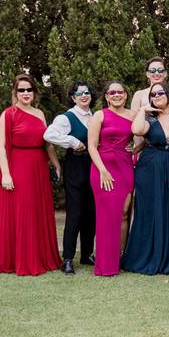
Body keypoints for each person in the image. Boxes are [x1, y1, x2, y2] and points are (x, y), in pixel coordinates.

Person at [0, 74, 62, 275]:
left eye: (29, 89)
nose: (25, 93)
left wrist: (56, 164)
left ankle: (41, 256)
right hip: (18, 167)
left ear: (34, 92)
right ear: (15, 93)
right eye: (21, 90)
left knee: (38, 212)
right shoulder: (8, 114)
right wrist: (6, 174)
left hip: (38, 168)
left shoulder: (39, 114)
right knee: (23, 212)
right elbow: (0, 147)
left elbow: (47, 143)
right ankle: (22, 260)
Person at [121, 83, 169, 275]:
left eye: (160, 93)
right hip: (149, 169)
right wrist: (143, 109)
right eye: (153, 94)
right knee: (149, 210)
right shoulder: (149, 119)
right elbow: (136, 130)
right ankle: (145, 256)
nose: (156, 96)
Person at [43, 81, 97, 275]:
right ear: (73, 98)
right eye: (79, 93)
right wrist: (72, 141)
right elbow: (49, 135)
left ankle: (86, 254)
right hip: (75, 165)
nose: (84, 96)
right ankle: (67, 259)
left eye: (87, 92)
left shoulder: (95, 116)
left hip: (94, 165)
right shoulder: (67, 117)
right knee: (75, 213)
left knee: (91, 212)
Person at [88, 81, 137, 276]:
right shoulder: (99, 115)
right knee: (106, 214)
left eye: (120, 92)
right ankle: (104, 261)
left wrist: (135, 149)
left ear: (126, 95)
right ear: (107, 96)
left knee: (124, 213)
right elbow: (92, 146)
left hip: (125, 166)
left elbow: (144, 137)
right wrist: (102, 170)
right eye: (112, 92)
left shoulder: (133, 115)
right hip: (102, 169)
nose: (117, 95)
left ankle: (119, 257)